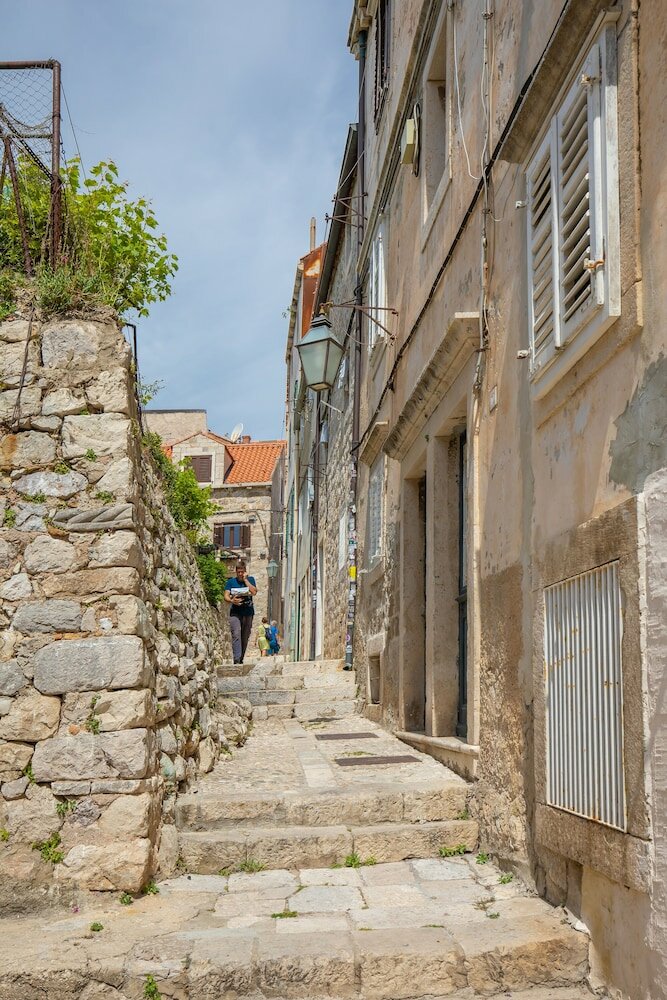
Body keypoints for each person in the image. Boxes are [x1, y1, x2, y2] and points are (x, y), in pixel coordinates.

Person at [223, 560, 257, 664]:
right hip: (235, 612)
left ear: (245, 571)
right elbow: (226, 596)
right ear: (236, 572)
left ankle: (241, 658)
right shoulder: (231, 582)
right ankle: (237, 659)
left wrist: (246, 581)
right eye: (238, 572)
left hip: (248, 612)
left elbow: (254, 592)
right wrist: (232, 600)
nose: (240, 574)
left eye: (242, 572)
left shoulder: (251, 579)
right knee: (236, 633)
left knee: (245, 635)